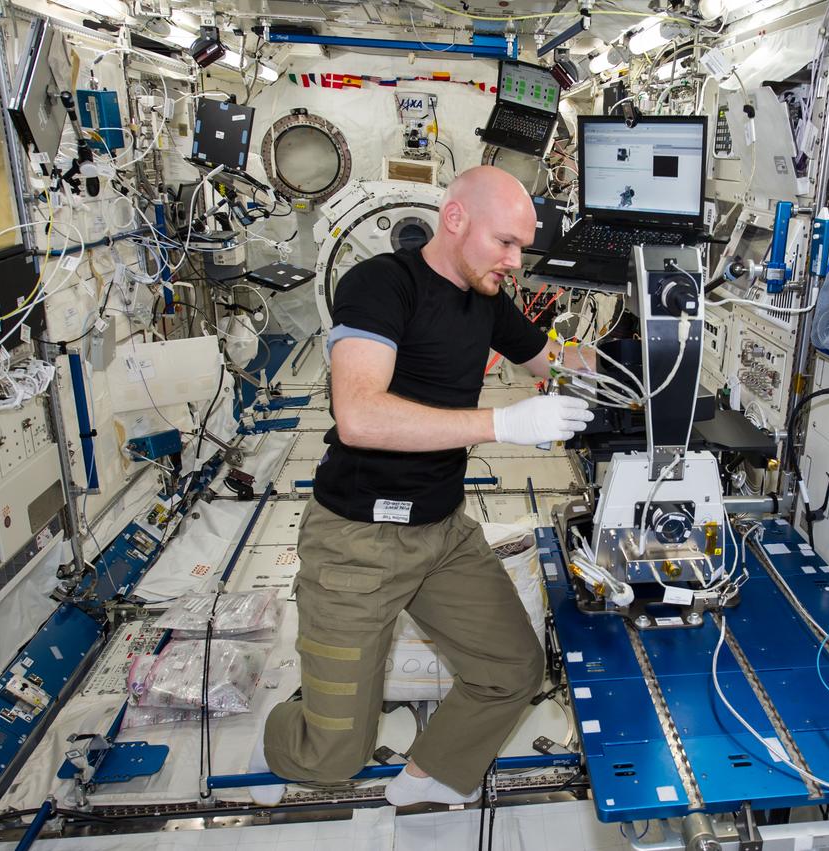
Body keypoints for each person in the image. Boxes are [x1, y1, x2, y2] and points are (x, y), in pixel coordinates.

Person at [249, 166, 593, 808]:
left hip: (443, 532)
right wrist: (504, 422)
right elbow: (360, 415)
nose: (516, 262)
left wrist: (651, 341)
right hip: (359, 543)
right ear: (456, 220)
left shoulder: (486, 298)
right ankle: (306, 706)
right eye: (506, 244)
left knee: (513, 672)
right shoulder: (382, 284)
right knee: (333, 758)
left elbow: (553, 360)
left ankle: (431, 773)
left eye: (523, 247)